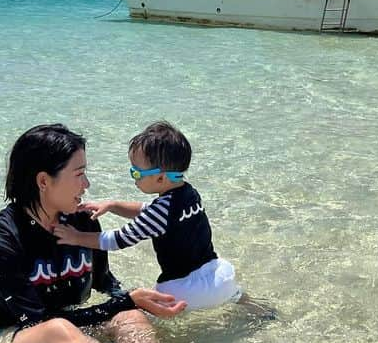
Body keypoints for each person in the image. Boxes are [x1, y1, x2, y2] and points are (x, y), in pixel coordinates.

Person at [0, 123, 245, 343]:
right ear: (43, 181)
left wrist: (134, 302)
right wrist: (128, 299)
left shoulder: (83, 224)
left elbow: (105, 284)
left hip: (62, 325)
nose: (87, 184)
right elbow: (37, 322)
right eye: (79, 174)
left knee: (131, 316)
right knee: (59, 330)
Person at [54, 121, 242, 311]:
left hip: (186, 289)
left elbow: (117, 240)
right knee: (236, 298)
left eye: (135, 172)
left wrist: (76, 237)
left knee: (139, 313)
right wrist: (112, 205)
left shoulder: (160, 212)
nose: (133, 177)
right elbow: (148, 210)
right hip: (219, 276)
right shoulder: (188, 194)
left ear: (160, 178)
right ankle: (260, 311)